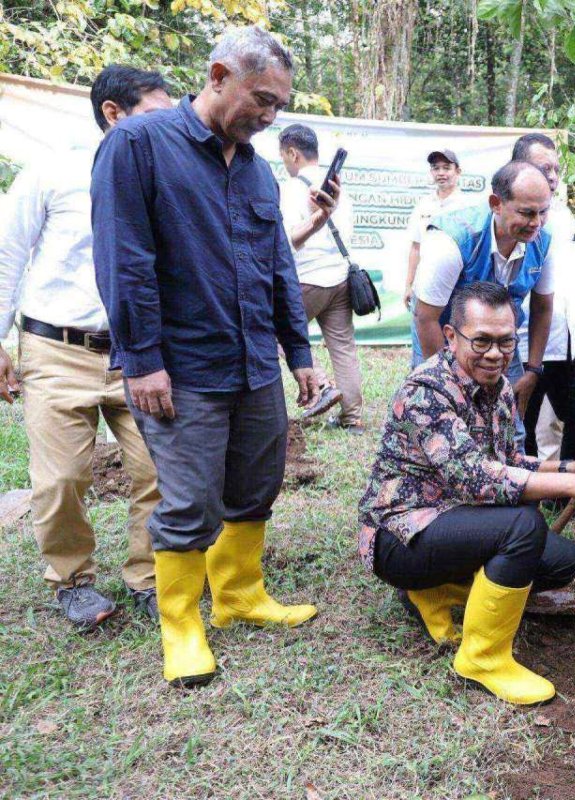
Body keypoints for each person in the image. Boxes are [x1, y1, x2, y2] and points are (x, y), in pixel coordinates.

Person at [91, 26, 323, 688]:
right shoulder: (137, 145)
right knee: (190, 500)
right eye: (262, 99)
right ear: (219, 75)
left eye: (279, 104)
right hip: (181, 368)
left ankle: (239, 594)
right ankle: (182, 627)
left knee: (256, 484)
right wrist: (141, 359)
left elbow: (277, 262)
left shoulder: (252, 166)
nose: (271, 116)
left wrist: (298, 352)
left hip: (252, 363)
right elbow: (124, 258)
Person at [359, 282, 575, 705]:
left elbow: (508, 461)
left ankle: (437, 592)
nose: (496, 353)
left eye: (506, 341)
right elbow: (476, 479)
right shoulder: (427, 391)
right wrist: (573, 485)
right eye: (481, 341)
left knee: (560, 560)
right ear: (451, 336)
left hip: (456, 518)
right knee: (524, 526)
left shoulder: (498, 386)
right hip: (401, 537)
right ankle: (482, 657)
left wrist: (570, 466)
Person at [0, 65, 171, 630]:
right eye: (153, 116)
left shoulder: (169, 175)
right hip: (57, 349)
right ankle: (71, 580)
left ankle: (148, 577)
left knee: (157, 472)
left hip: (141, 353)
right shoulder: (51, 172)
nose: (167, 128)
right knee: (61, 478)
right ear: (113, 115)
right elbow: (8, 256)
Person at [411, 160, 556, 450]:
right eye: (527, 213)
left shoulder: (542, 242)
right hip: (443, 338)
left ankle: (512, 491)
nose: (536, 223)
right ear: (496, 204)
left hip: (500, 341)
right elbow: (425, 317)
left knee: (510, 429)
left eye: (543, 212)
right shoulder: (451, 242)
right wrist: (450, 383)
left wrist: (533, 370)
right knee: (447, 428)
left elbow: (542, 307)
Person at [511, 133, 575, 471]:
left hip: (570, 342)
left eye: (556, 168)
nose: (554, 176)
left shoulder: (563, 215)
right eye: (544, 168)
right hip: (527, 340)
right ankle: (525, 485)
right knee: (520, 421)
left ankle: (567, 491)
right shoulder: (514, 216)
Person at [277, 123, 364, 432]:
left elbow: (290, 239)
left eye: (283, 156)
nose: (284, 163)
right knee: (343, 346)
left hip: (306, 279)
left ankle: (324, 386)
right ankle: (351, 416)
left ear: (292, 152)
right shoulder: (340, 187)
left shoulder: (292, 187)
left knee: (275, 335)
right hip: (339, 278)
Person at [403, 148, 472, 309]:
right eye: (436, 168)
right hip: (424, 288)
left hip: (458, 290)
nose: (441, 173)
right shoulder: (423, 205)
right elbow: (415, 248)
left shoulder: (469, 207)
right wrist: (408, 285)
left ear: (458, 171)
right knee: (423, 331)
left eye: (446, 168)